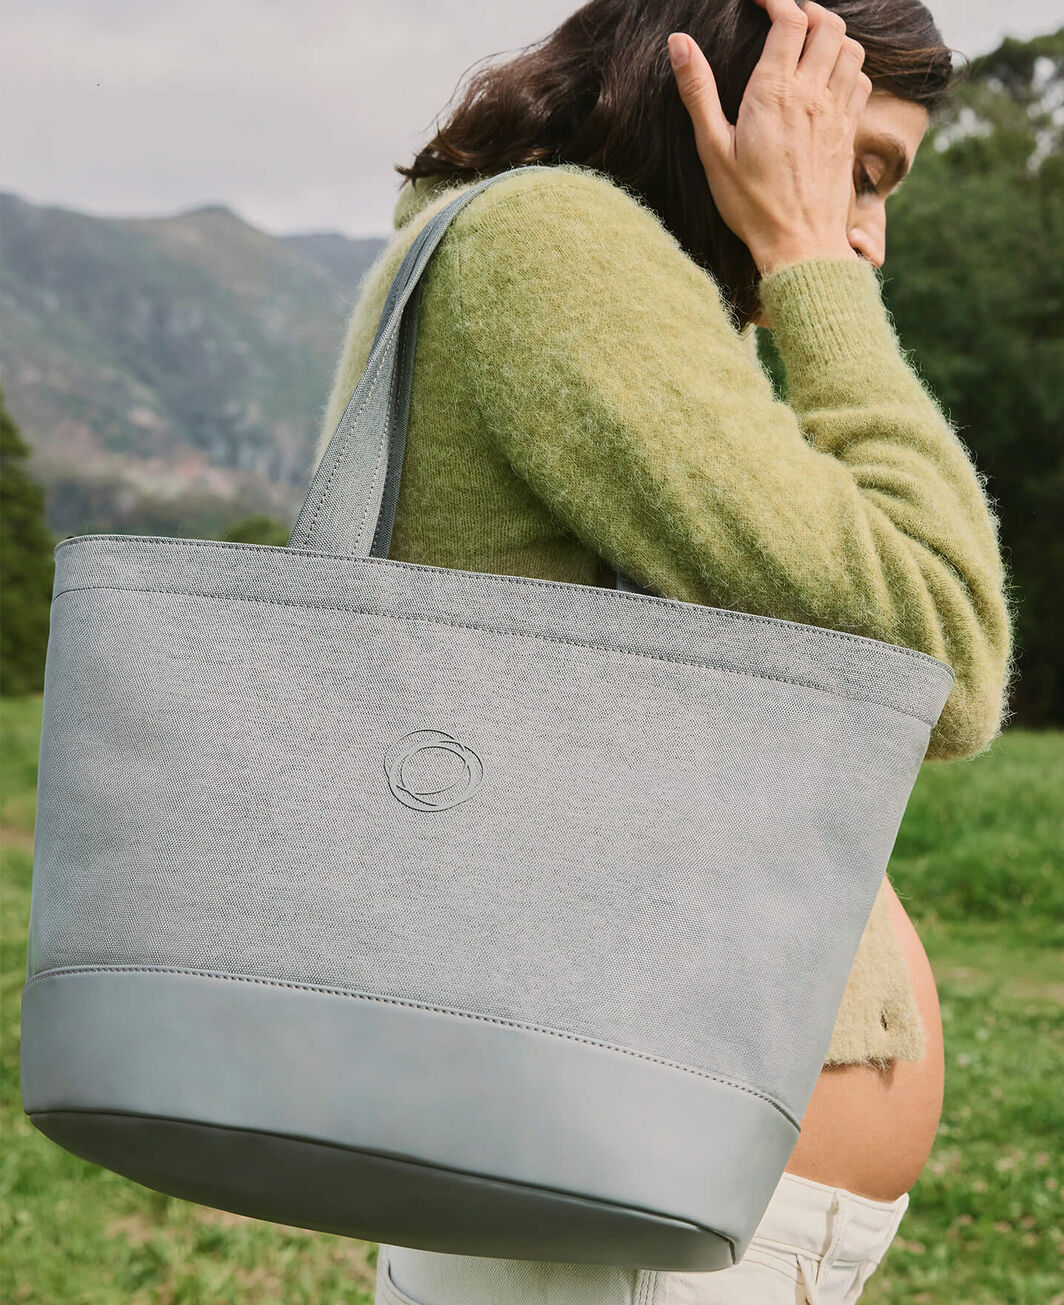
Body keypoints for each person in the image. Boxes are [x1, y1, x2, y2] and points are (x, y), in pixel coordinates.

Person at [329, 2, 1011, 1301]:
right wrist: (809, 258)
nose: (867, 229)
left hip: (634, 1198)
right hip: (635, 1212)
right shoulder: (554, 247)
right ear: (727, 102)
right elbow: (949, 648)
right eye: (851, 164)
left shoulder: (576, 268)